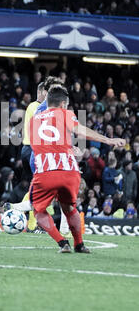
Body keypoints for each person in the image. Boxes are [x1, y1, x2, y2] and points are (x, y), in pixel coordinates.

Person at [28, 85, 126, 253]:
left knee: (38, 211)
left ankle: (62, 242)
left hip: (46, 172)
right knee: (69, 207)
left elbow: (38, 146)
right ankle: (79, 244)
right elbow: (80, 131)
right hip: (69, 171)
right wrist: (108, 140)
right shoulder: (66, 114)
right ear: (64, 104)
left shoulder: (33, 121)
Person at [21, 81, 45, 182]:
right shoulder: (36, 106)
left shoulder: (36, 106)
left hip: (30, 149)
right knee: (38, 182)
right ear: (40, 92)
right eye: (47, 93)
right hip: (31, 149)